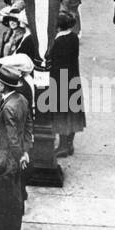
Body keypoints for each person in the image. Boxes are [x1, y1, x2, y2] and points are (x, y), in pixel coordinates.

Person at [45, 10, 84, 157]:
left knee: (60, 114)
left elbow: (52, 60)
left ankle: (62, 146)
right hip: (72, 78)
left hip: (59, 80)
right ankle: (69, 144)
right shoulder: (73, 37)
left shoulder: (58, 42)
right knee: (72, 113)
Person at [0, 53, 35, 176]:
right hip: (21, 148)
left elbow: (12, 137)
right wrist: (26, 150)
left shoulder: (8, 108)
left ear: (5, 86)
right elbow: (28, 125)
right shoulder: (22, 99)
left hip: (7, 152)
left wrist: (20, 155)